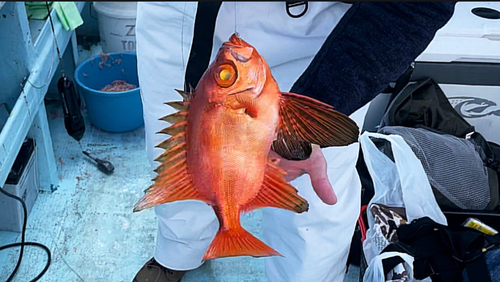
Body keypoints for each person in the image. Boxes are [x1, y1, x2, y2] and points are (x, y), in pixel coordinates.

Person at [133, 2, 456, 282]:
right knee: (179, 160)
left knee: (315, 188)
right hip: (179, 15)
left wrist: (313, 114)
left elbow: (416, 5)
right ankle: (180, 251)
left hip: (318, 26)